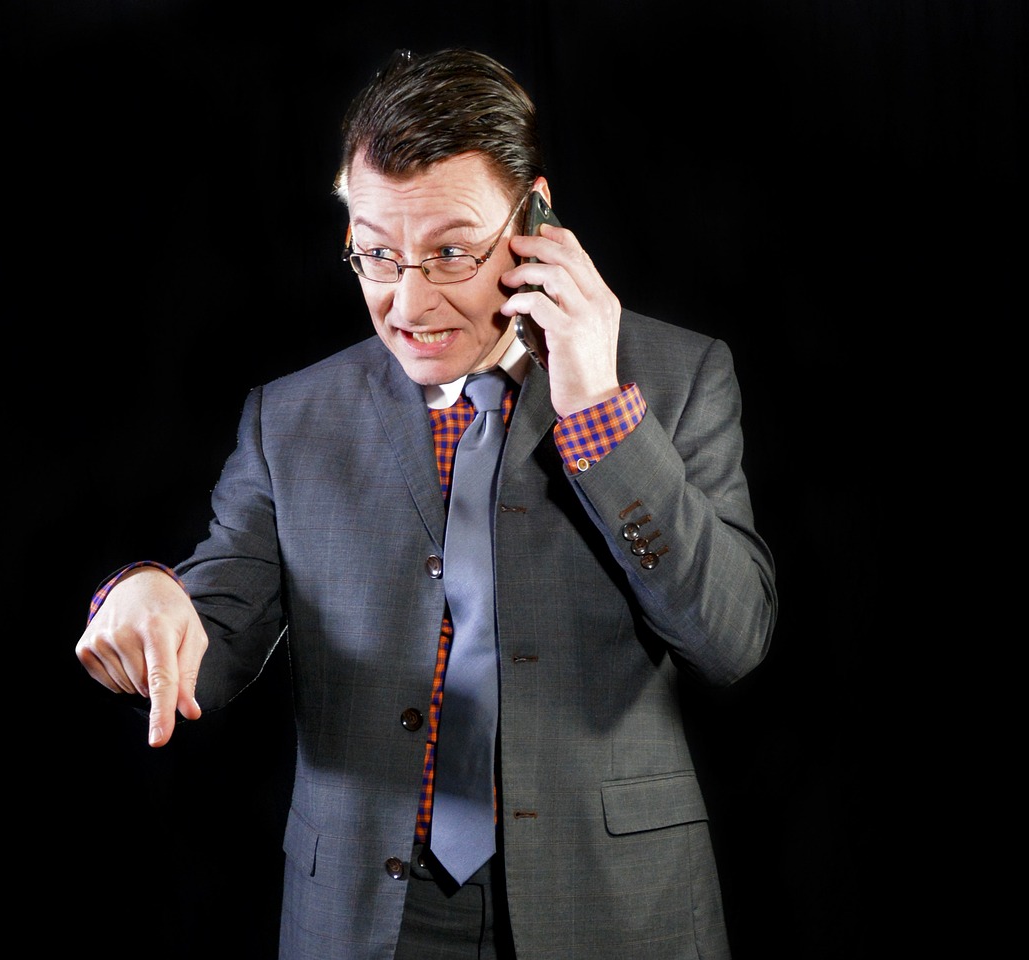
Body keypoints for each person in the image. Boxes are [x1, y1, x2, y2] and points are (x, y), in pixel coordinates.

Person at [76, 47, 777, 959]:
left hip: (612, 906)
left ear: (535, 218)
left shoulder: (681, 378)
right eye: (376, 253)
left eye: (450, 252)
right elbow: (209, 637)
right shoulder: (291, 418)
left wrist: (600, 414)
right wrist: (141, 596)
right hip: (370, 916)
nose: (407, 303)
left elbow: (731, 639)